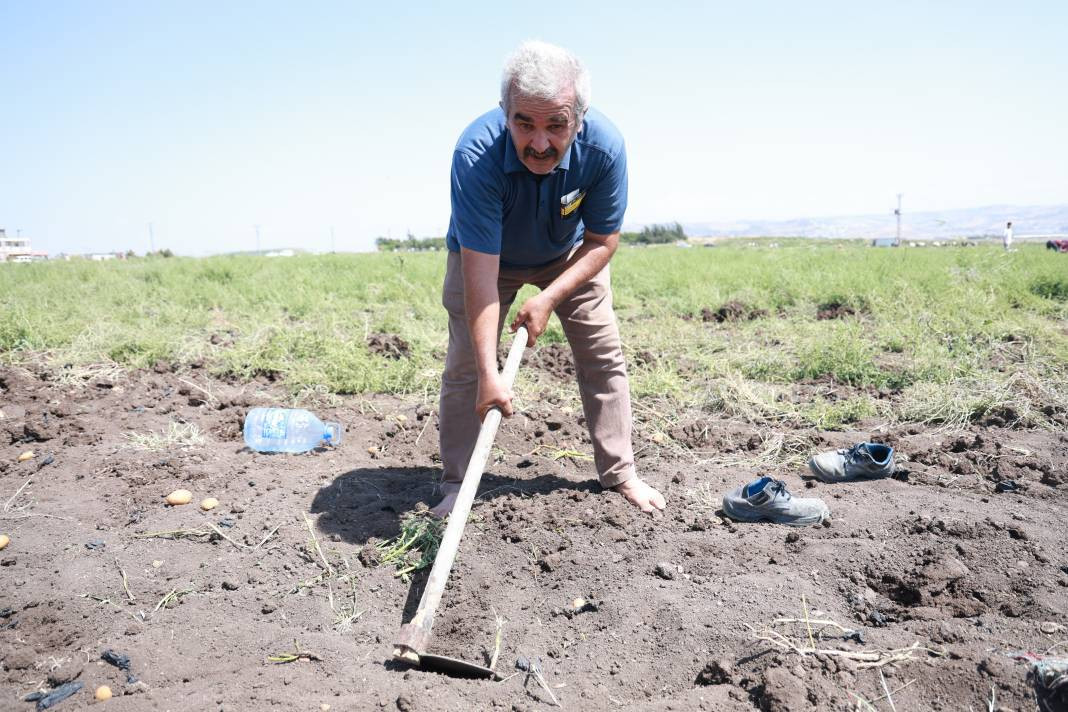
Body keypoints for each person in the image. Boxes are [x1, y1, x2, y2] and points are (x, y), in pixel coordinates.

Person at [431, 40, 666, 518]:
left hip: (569, 254)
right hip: (488, 260)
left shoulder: (604, 148)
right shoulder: (476, 155)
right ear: (505, 113)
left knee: (603, 355)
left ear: (578, 118)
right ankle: (457, 484)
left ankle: (621, 473)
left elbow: (602, 241)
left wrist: (550, 298)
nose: (539, 143)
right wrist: (489, 374)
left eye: (555, 125)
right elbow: (479, 275)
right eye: (524, 124)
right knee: (466, 367)